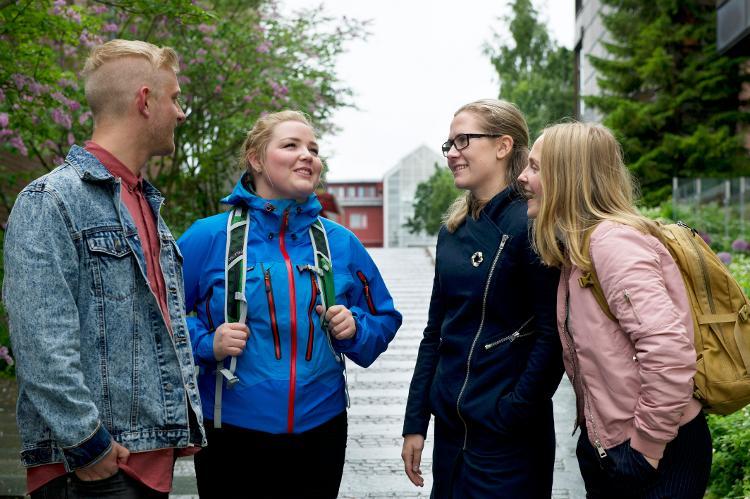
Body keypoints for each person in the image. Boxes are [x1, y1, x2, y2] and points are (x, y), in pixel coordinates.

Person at [3, 39, 205, 498]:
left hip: (145, 460)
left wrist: (179, 420)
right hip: (94, 470)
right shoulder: (50, 200)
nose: (180, 112)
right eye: (174, 98)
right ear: (145, 100)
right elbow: (40, 341)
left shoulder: (146, 202)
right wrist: (87, 445)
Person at [177, 110, 402, 498]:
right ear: (256, 158)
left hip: (322, 427)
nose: (308, 156)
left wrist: (355, 328)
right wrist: (206, 342)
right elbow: (163, 315)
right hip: (232, 429)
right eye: (291, 145)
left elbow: (384, 317)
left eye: (313, 149)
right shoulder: (208, 236)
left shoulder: (340, 241)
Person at [518, 122, 712, 498]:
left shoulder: (613, 244)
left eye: (536, 167)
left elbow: (669, 353)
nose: (523, 178)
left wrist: (644, 450)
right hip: (612, 447)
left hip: (657, 453)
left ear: (568, 177)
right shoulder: (580, 248)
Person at [401, 99, 563, 498]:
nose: (452, 153)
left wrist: (512, 411)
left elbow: (552, 335)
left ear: (503, 145)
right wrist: (416, 421)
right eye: (449, 144)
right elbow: (435, 333)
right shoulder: (452, 231)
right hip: (453, 432)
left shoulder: (531, 225)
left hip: (508, 439)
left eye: (464, 141)